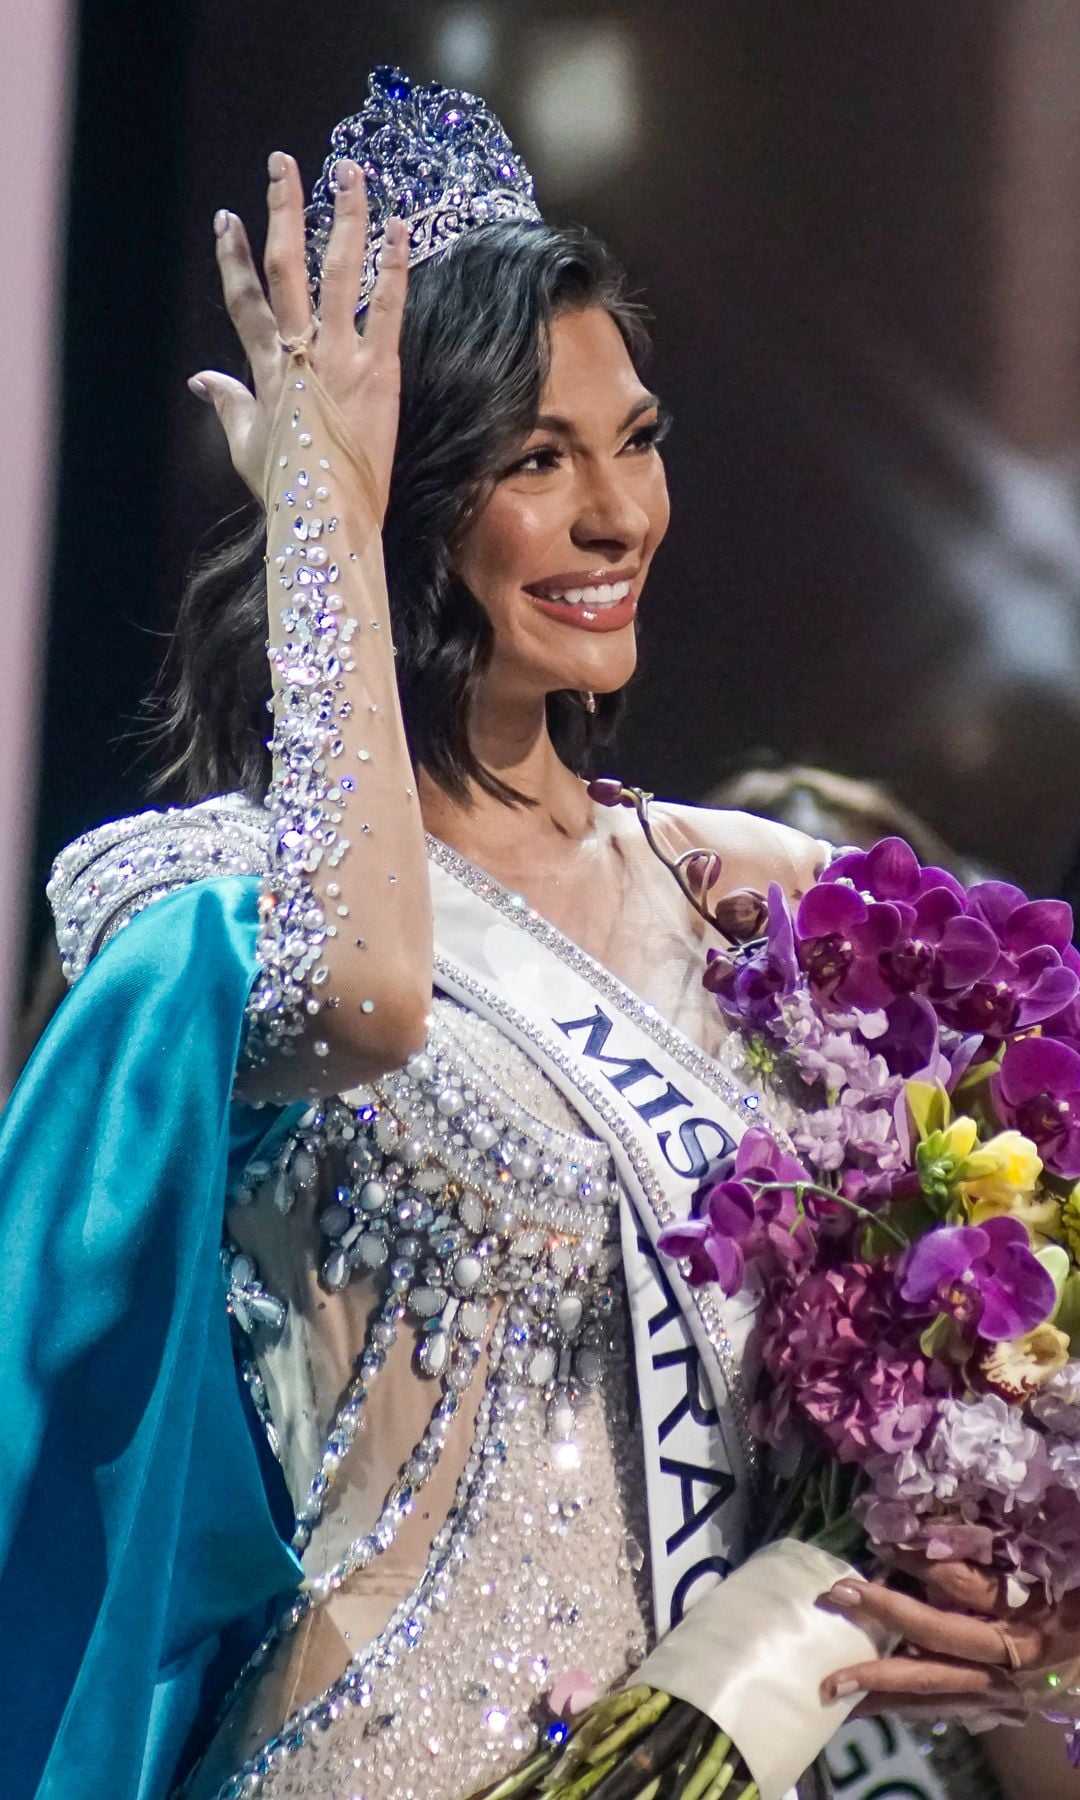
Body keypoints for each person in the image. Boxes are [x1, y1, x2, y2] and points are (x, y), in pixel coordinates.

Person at [5, 66, 1077, 1800]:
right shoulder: (197, 894)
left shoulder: (750, 896)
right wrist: (319, 516)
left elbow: (1014, 1292)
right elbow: (361, 998)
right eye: (534, 460)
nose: (616, 517)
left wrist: (1039, 1599)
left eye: (634, 441)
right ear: (406, 503)